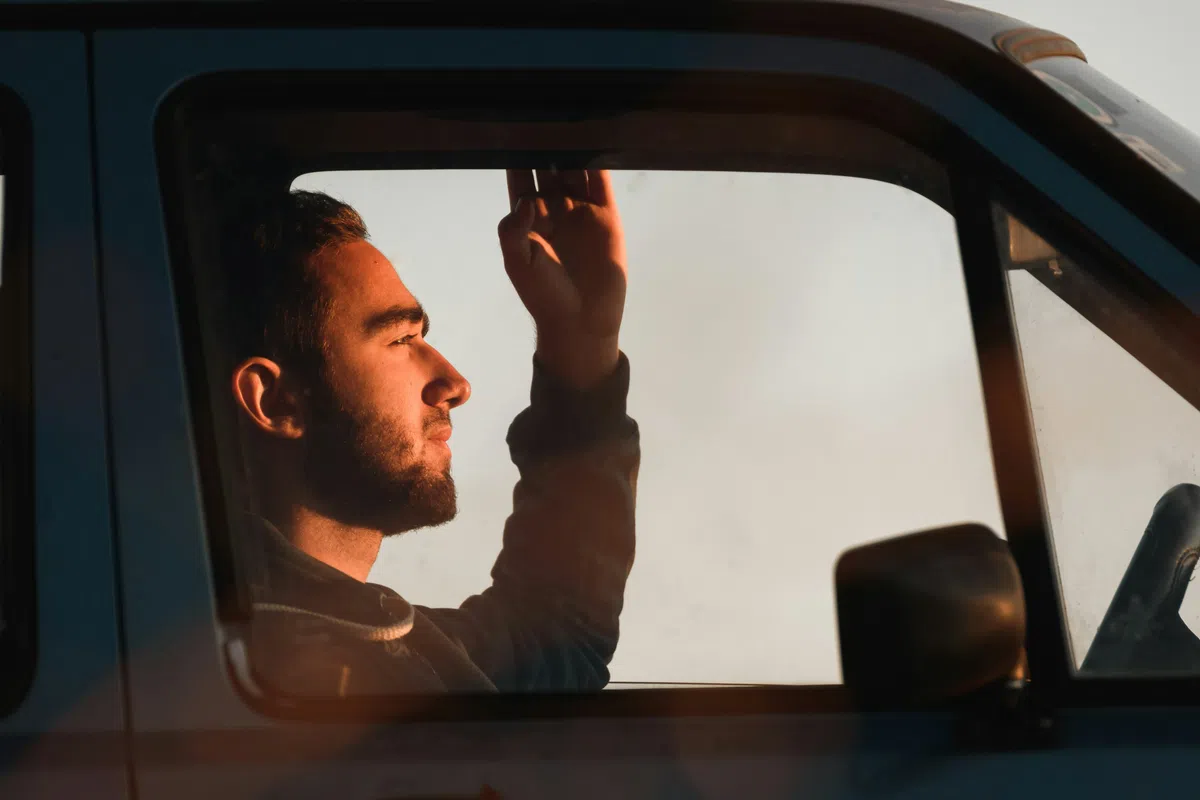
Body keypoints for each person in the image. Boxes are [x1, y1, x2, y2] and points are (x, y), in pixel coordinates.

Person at [220, 169, 639, 695]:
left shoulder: (378, 643)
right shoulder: (310, 676)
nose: (455, 384)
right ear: (275, 401)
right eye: (401, 339)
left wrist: (581, 342)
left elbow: (558, 633)